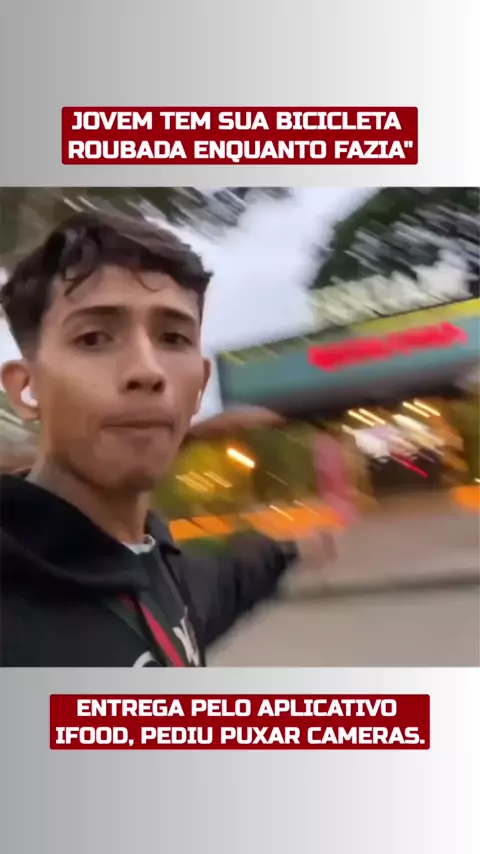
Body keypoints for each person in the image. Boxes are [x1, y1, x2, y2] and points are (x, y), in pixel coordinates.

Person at [0, 212, 333, 667]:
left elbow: (232, 577)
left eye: (173, 337)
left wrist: (295, 547)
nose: (148, 370)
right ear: (26, 389)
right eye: (93, 338)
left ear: (199, 386)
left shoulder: (164, 569)